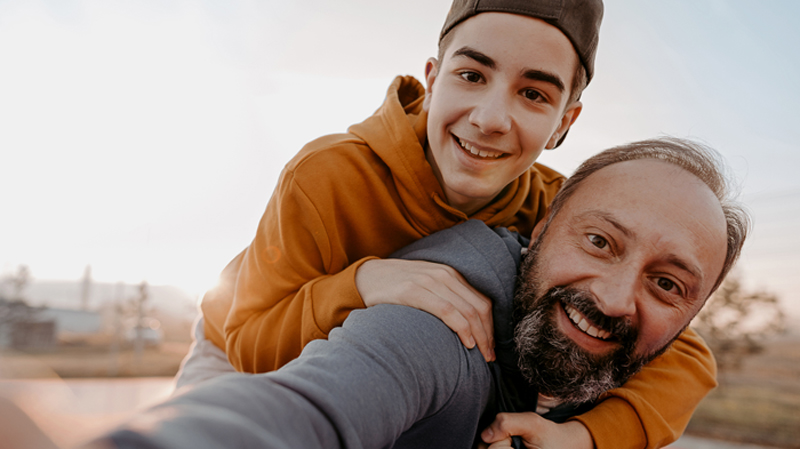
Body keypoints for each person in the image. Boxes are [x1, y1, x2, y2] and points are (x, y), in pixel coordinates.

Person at [177, 1, 715, 447]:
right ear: (433, 80)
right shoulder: (328, 174)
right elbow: (249, 341)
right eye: (471, 75)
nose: (489, 118)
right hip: (240, 340)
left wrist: (587, 437)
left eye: (533, 94)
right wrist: (363, 283)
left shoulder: (557, 208)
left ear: (563, 123)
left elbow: (685, 357)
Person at [96, 138, 748, 449]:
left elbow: (694, 363)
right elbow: (320, 402)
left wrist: (585, 437)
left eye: (667, 282)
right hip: (243, 328)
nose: (612, 298)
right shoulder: (445, 310)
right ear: (541, 229)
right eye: (600, 242)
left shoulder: (553, 205)